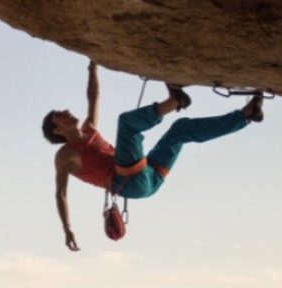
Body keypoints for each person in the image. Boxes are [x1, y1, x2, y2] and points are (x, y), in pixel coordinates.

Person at [43, 61, 264, 251]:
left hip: (148, 178)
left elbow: (93, 97)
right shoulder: (65, 156)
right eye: (60, 116)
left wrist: (93, 66)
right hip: (131, 182)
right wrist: (67, 229)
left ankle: (245, 116)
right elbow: (60, 193)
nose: (67, 111)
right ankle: (174, 101)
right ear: (57, 131)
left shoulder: (88, 129)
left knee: (181, 130)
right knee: (127, 124)